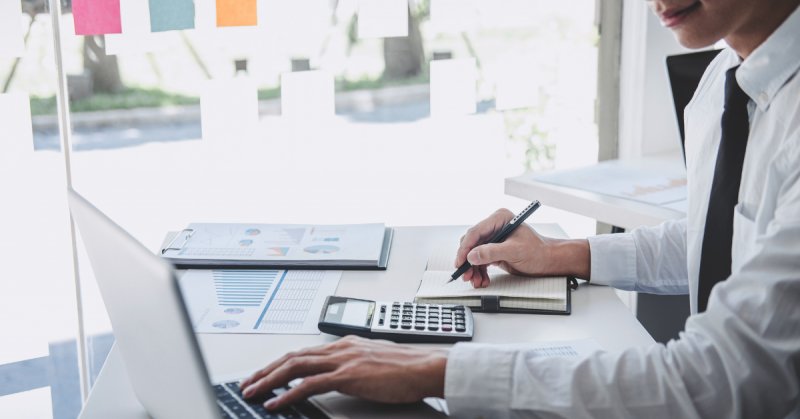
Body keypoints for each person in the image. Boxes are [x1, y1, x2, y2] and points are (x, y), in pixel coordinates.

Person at [240, 0, 800, 416]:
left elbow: (720, 381)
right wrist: (560, 253)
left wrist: (442, 371)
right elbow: (719, 236)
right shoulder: (720, 80)